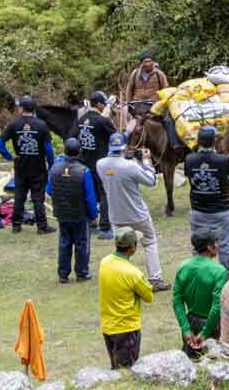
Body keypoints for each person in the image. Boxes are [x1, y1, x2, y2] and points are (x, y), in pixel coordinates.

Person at [96, 132, 171, 291]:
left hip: (116, 215)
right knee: (150, 242)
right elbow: (151, 181)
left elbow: (115, 167)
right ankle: (155, 279)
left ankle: (122, 279)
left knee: (122, 248)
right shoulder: (130, 166)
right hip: (137, 214)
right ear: (124, 147)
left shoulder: (100, 164)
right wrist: (145, 161)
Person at [0, 95, 56, 234]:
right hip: (38, 167)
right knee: (38, 198)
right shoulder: (41, 125)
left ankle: (16, 225)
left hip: (20, 166)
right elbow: (48, 149)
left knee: (19, 196)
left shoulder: (13, 124)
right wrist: (51, 165)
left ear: (21, 108)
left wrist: (9, 156)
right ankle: (42, 227)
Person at [98, 227, 154, 369]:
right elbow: (149, 296)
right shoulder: (134, 273)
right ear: (132, 248)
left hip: (108, 327)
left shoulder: (104, 262)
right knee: (127, 370)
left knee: (115, 367)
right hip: (126, 329)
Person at [184, 125, 229, 276]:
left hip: (198, 211)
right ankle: (228, 277)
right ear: (214, 141)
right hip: (221, 211)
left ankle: (197, 275)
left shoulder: (189, 159)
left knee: (198, 245)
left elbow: (190, 178)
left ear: (198, 141)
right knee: (224, 245)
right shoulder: (224, 160)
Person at [46, 137, 98, 283]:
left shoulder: (54, 169)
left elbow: (49, 190)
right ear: (79, 152)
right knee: (82, 243)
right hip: (80, 214)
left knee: (64, 243)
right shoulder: (84, 171)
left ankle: (63, 274)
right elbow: (90, 197)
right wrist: (93, 215)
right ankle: (82, 273)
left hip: (62, 214)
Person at [172, 231, 228, 358]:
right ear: (209, 247)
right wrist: (205, 333)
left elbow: (177, 300)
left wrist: (186, 329)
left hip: (190, 321)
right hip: (211, 324)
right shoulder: (219, 271)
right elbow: (216, 306)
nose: (218, 245)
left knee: (190, 358)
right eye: (216, 243)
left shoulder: (183, 266)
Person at [71, 90, 117, 240]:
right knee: (105, 194)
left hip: (84, 163)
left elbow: (72, 137)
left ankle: (90, 224)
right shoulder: (102, 121)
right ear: (98, 104)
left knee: (88, 193)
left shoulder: (82, 119)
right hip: (101, 164)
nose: (105, 107)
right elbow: (116, 138)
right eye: (104, 104)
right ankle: (104, 227)